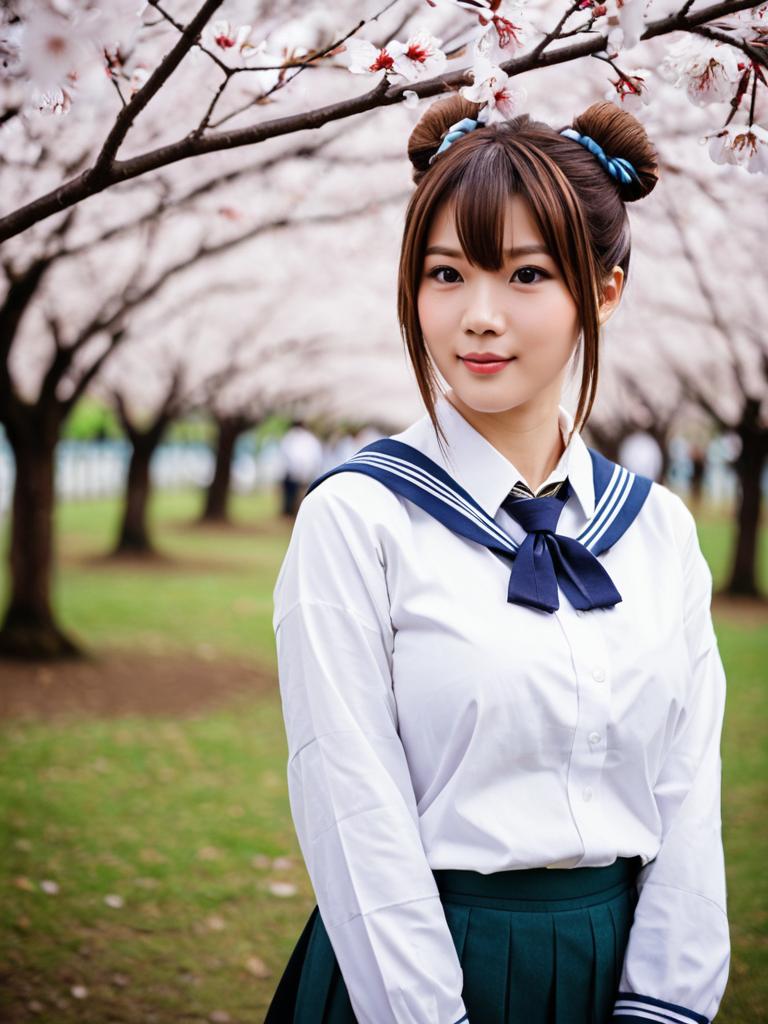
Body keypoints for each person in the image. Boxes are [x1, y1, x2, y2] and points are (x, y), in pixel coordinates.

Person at [265, 96, 729, 1024]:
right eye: (446, 274)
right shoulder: (358, 518)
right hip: (417, 970)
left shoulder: (658, 532)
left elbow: (690, 796)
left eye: (525, 274)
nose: (478, 317)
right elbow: (352, 806)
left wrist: (665, 1000)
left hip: (615, 968)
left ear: (605, 290)